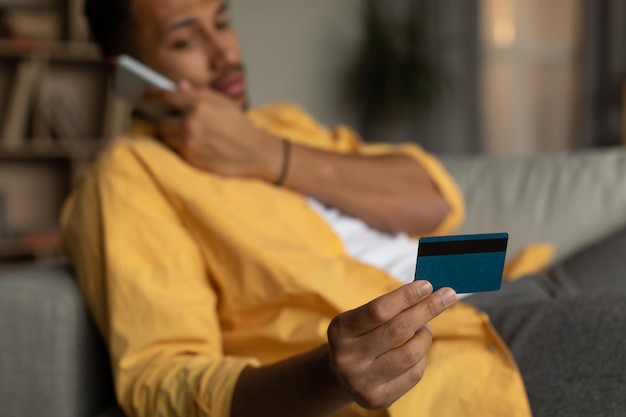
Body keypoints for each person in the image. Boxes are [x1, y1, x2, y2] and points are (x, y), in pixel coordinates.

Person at [61, 0, 626, 416]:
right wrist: (328, 378)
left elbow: (433, 201)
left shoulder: (282, 126)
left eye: (223, 21)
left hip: (519, 281)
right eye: (186, 40)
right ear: (128, 75)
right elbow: (160, 379)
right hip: (457, 346)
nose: (224, 53)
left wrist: (268, 153)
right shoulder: (130, 177)